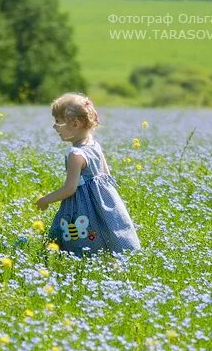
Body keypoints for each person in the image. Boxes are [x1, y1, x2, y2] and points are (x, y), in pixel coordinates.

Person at [35, 92, 140, 256]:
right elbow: (106, 175)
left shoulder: (75, 154)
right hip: (104, 202)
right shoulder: (95, 145)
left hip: (81, 207)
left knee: (78, 241)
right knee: (106, 239)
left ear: (75, 124)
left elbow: (70, 189)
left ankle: (76, 263)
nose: (54, 127)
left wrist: (46, 200)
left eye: (57, 121)